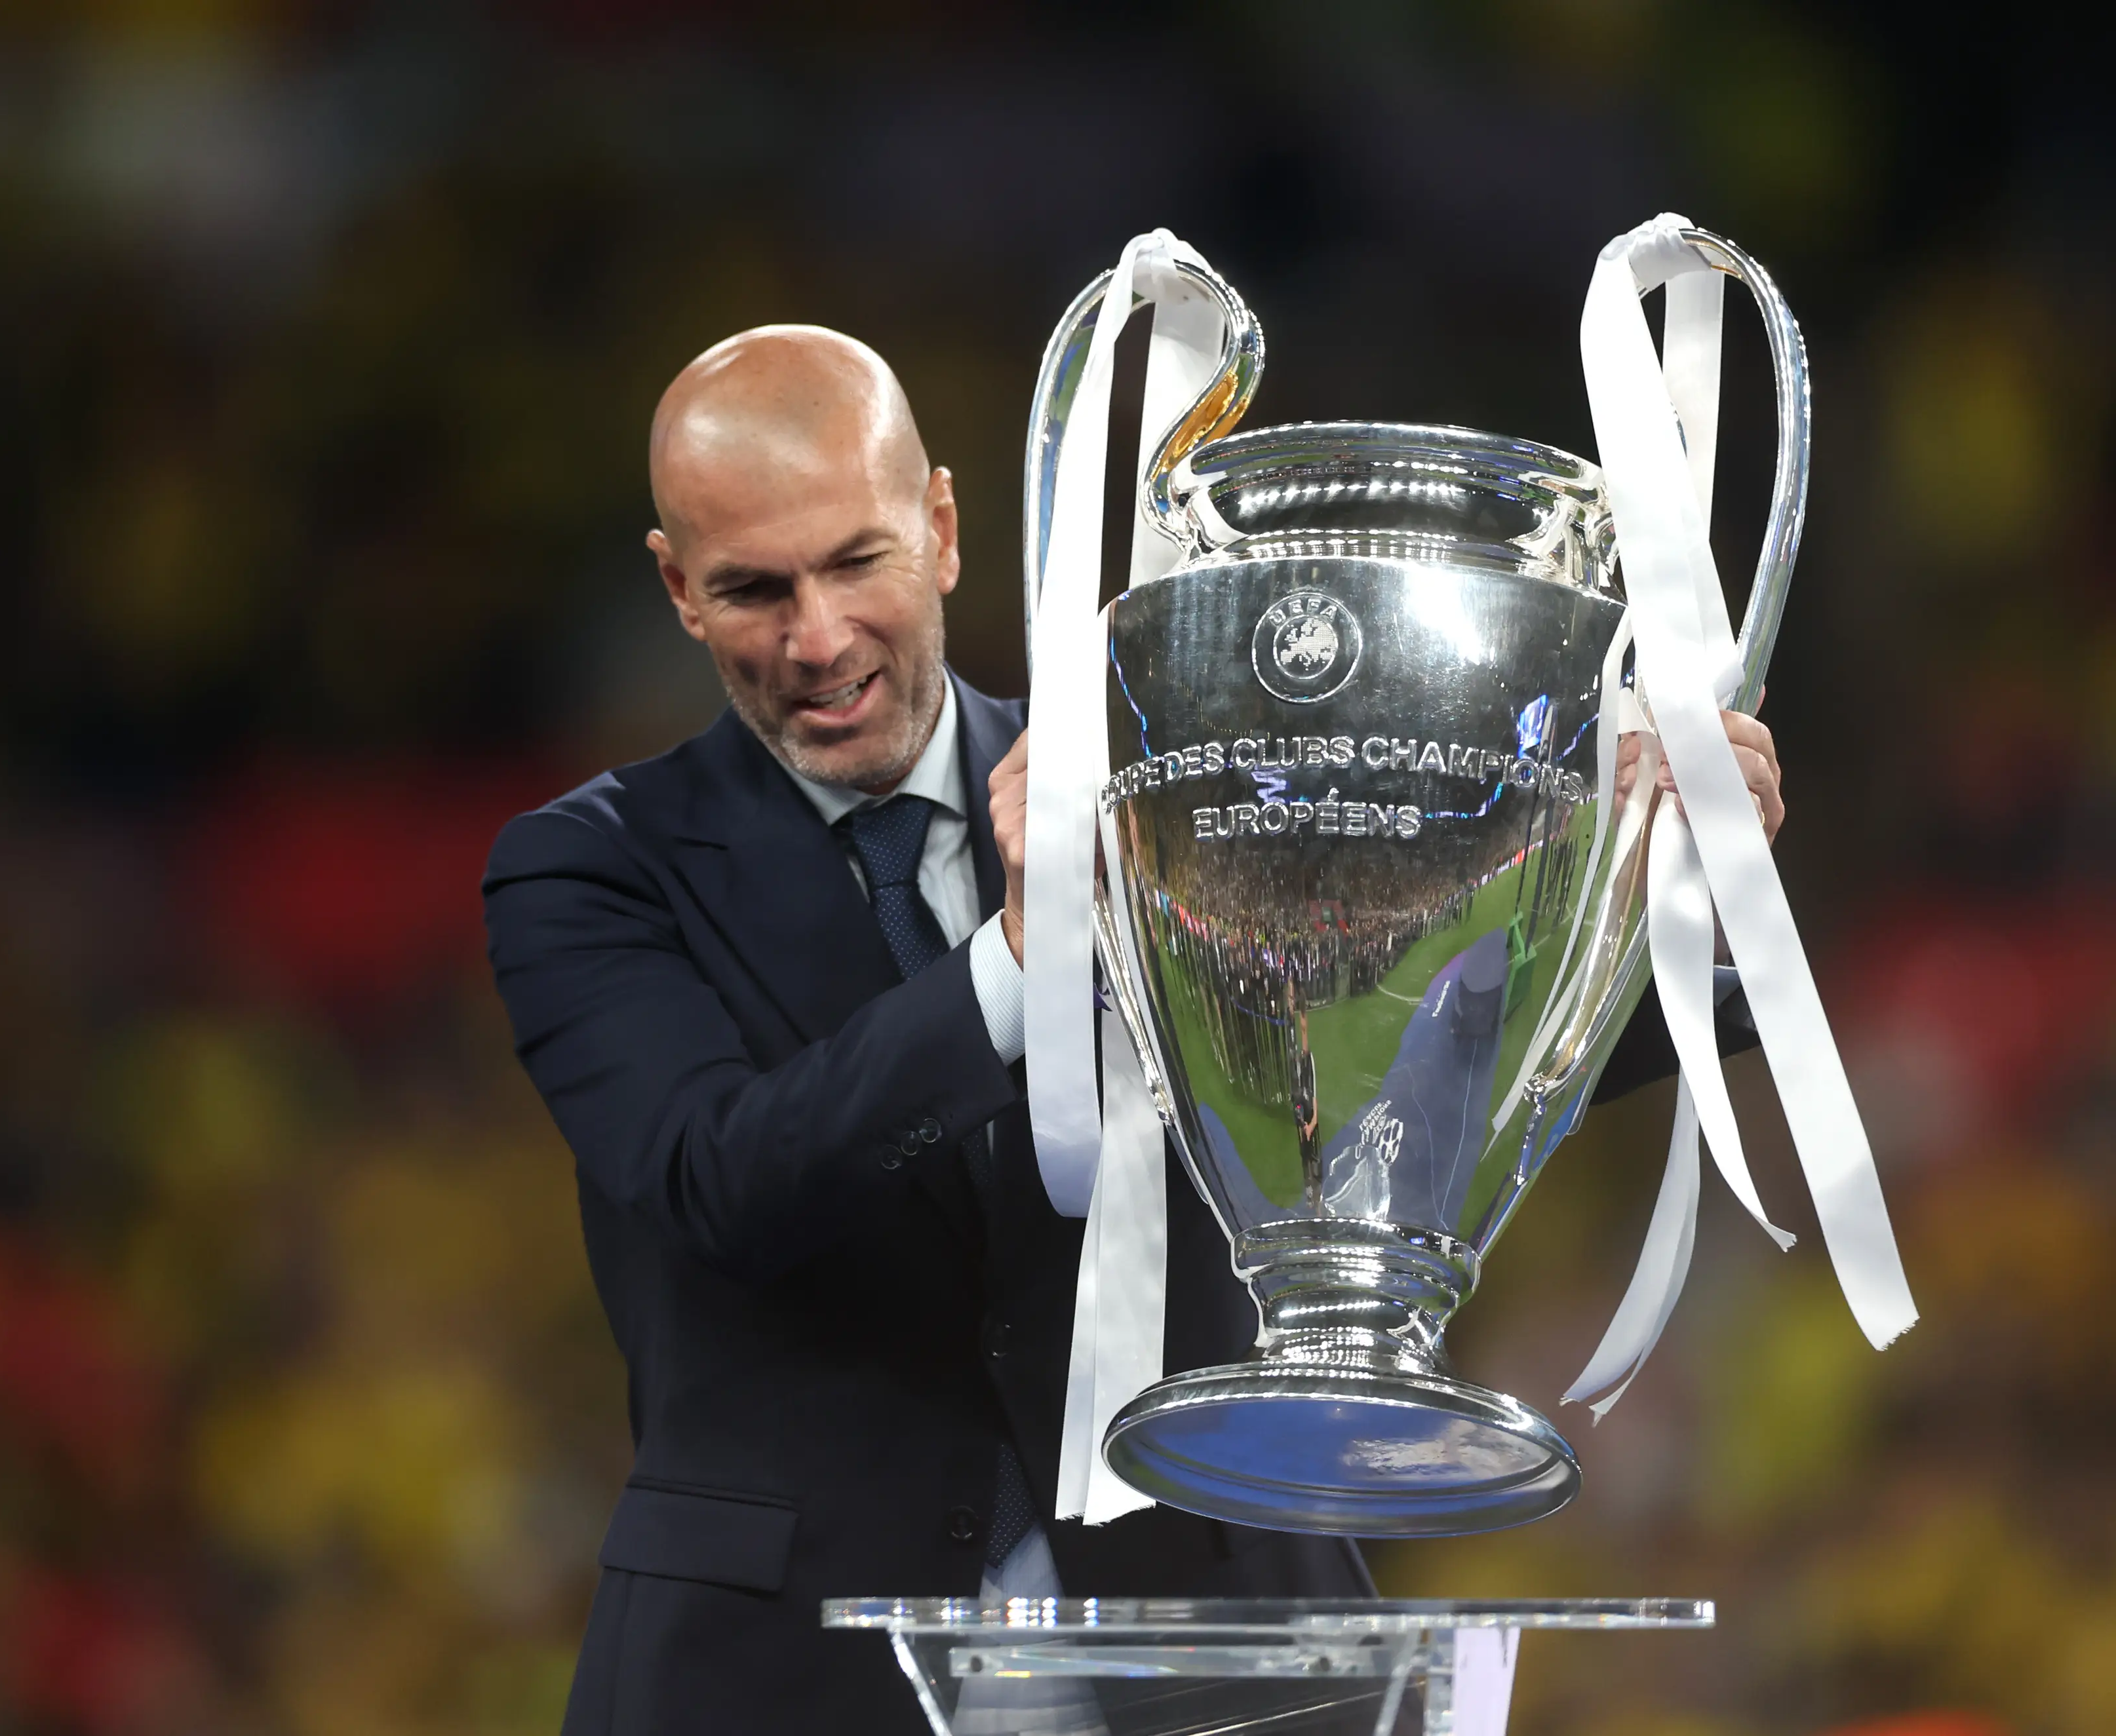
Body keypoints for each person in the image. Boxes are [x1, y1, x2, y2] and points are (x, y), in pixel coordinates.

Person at [481, 325, 1789, 1735]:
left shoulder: (1169, 773)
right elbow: (718, 1181)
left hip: (1211, 1629)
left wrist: (1655, 900)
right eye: (752, 588)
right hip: (783, 1672)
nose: (818, 638)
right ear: (678, 587)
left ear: (943, 526)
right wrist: (1019, 963)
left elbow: (1396, 1051)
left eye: (857, 561)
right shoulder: (589, 868)